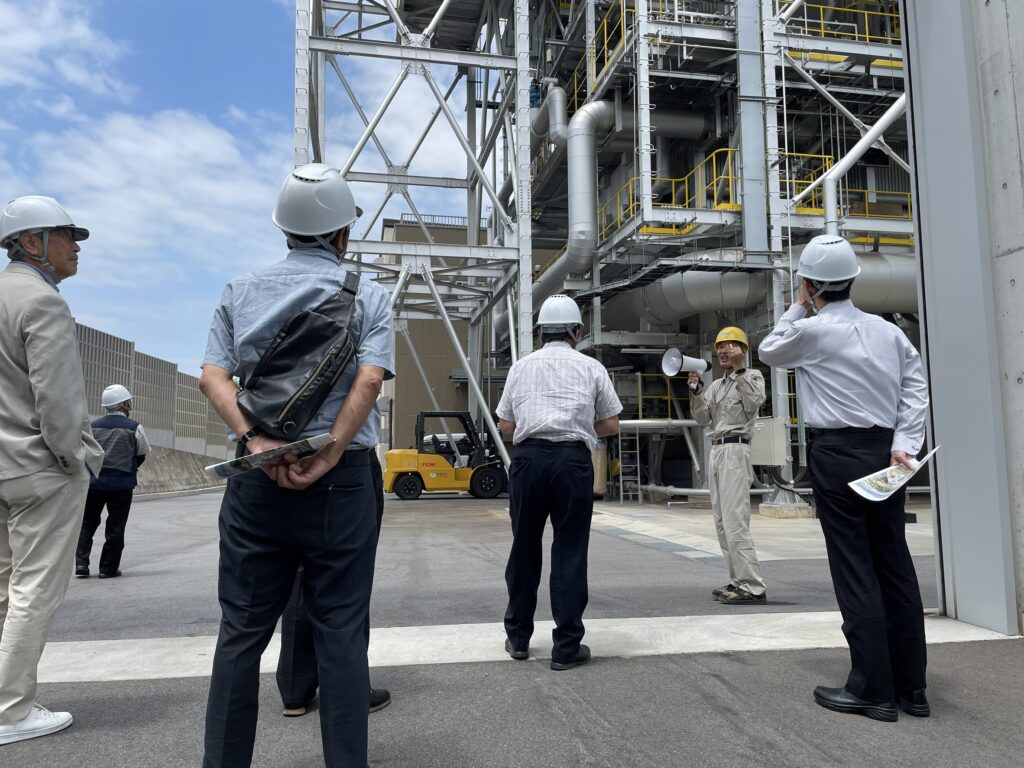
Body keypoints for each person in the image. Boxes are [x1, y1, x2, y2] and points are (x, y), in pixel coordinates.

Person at [199, 163, 394, 767]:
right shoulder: (369, 294)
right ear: (342, 233)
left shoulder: (239, 291)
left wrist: (256, 441)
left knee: (241, 635)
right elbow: (369, 379)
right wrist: (331, 448)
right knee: (339, 634)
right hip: (340, 482)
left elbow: (213, 375)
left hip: (257, 481)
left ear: (284, 228)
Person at [758, 233, 930, 722]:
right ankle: (911, 687)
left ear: (810, 285)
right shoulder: (889, 332)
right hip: (885, 453)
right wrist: (905, 443)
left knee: (854, 568)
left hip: (837, 453)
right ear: (854, 278)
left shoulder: (812, 332)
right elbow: (915, 390)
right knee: (894, 565)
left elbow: (769, 349)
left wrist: (797, 308)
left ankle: (872, 689)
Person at [0, 195, 104, 745]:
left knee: (1, 588)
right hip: (39, 468)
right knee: (35, 589)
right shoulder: (43, 303)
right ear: (32, 242)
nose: (77, 245)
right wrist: (76, 460)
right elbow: (58, 402)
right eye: (67, 234)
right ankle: (12, 710)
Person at [497, 295, 622, 671]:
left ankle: (518, 638)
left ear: (540, 332)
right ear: (576, 331)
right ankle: (566, 647)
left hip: (528, 461)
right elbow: (612, 424)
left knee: (524, 548)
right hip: (572, 463)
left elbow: (506, 425)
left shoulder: (521, 367)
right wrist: (580, 426)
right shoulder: (591, 367)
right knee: (569, 551)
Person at [275, 450, 390, 718]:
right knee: (349, 580)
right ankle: (349, 689)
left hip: (285, 456)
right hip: (346, 456)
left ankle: (295, 689)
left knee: (300, 572)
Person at [689, 326, 768, 605]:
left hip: (736, 450)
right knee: (722, 522)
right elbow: (701, 418)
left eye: (731, 345)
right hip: (717, 451)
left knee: (736, 520)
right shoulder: (716, 385)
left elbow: (755, 400)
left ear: (744, 351)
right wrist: (697, 391)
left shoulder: (753, 376)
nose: (724, 350)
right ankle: (737, 580)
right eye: (721, 346)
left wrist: (740, 372)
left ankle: (753, 586)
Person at [75, 384, 150, 579]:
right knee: (115, 526)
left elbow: (85, 452)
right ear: (124, 404)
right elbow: (142, 453)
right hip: (122, 485)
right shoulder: (135, 427)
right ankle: (107, 569)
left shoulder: (93, 426)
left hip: (94, 483)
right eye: (129, 401)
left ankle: (81, 564)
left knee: (87, 524)